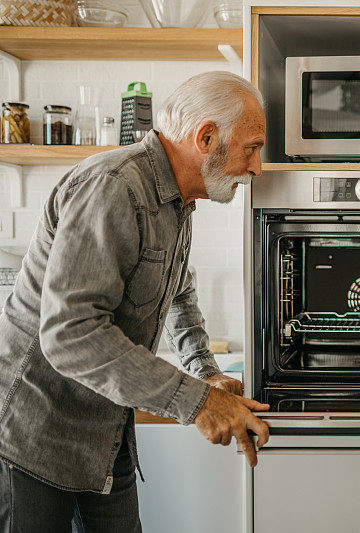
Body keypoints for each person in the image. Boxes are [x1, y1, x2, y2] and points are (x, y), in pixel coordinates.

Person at [0, 71, 271, 532]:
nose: (257, 167)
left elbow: (179, 293)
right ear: (206, 137)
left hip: (106, 436)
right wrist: (197, 402)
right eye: (251, 148)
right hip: (35, 438)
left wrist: (206, 372)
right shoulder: (113, 186)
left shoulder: (177, 200)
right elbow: (70, 332)